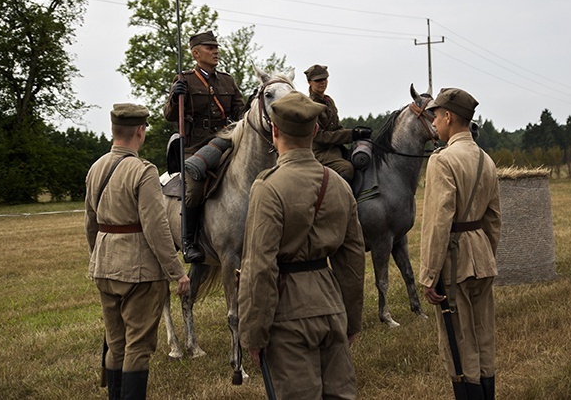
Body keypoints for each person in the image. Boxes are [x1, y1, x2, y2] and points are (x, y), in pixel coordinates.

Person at [238, 90, 366, 400]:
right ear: (316, 131)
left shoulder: (268, 187)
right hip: (331, 304)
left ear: (275, 130)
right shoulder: (338, 184)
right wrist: (351, 319)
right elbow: (352, 262)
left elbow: (260, 266)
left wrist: (254, 332)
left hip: (287, 309)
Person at [85, 103, 190, 400]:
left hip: (104, 267)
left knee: (116, 344)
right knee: (138, 349)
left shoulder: (96, 168)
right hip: (139, 273)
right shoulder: (144, 171)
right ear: (141, 132)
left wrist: (99, 258)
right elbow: (156, 228)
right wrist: (177, 272)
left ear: (113, 130)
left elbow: (89, 223)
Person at [419, 88, 501, 400]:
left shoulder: (443, 161)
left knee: (458, 344)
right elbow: (494, 219)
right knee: (483, 339)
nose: (434, 123)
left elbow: (438, 223)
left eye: (436, 116)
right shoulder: (486, 160)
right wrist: (485, 255)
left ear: (449, 116)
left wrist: (429, 275)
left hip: (455, 264)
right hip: (482, 258)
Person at [163, 30, 245, 262]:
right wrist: (174, 97)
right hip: (196, 148)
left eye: (216, 47)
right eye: (210, 48)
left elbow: (240, 113)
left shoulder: (227, 80)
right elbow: (169, 115)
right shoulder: (184, 80)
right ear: (196, 53)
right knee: (194, 189)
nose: (215, 51)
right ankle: (189, 241)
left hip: (226, 143)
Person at [304, 64, 371, 183]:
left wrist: (357, 134)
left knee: (362, 157)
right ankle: (340, 199)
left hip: (335, 149)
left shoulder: (328, 101)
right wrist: (351, 134)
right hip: (320, 152)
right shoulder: (310, 105)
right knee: (347, 169)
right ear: (309, 82)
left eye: (324, 79)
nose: (322, 82)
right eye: (318, 80)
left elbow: (337, 128)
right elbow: (320, 136)